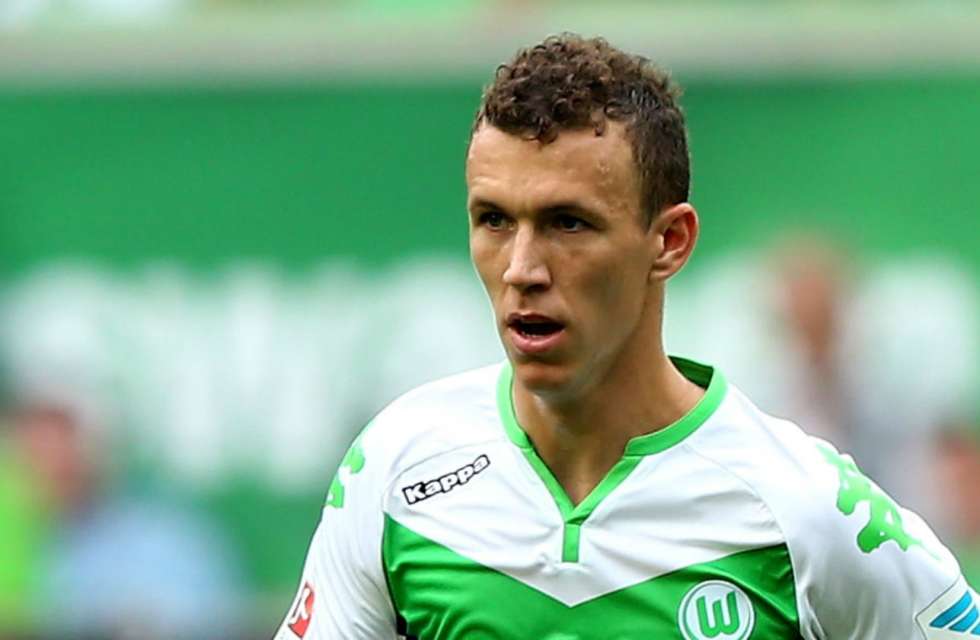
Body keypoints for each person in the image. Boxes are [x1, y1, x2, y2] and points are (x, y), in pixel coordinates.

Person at [275, 34, 977, 639]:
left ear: (668, 242)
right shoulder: (399, 467)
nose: (522, 269)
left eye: (568, 224)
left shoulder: (802, 508)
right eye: (493, 220)